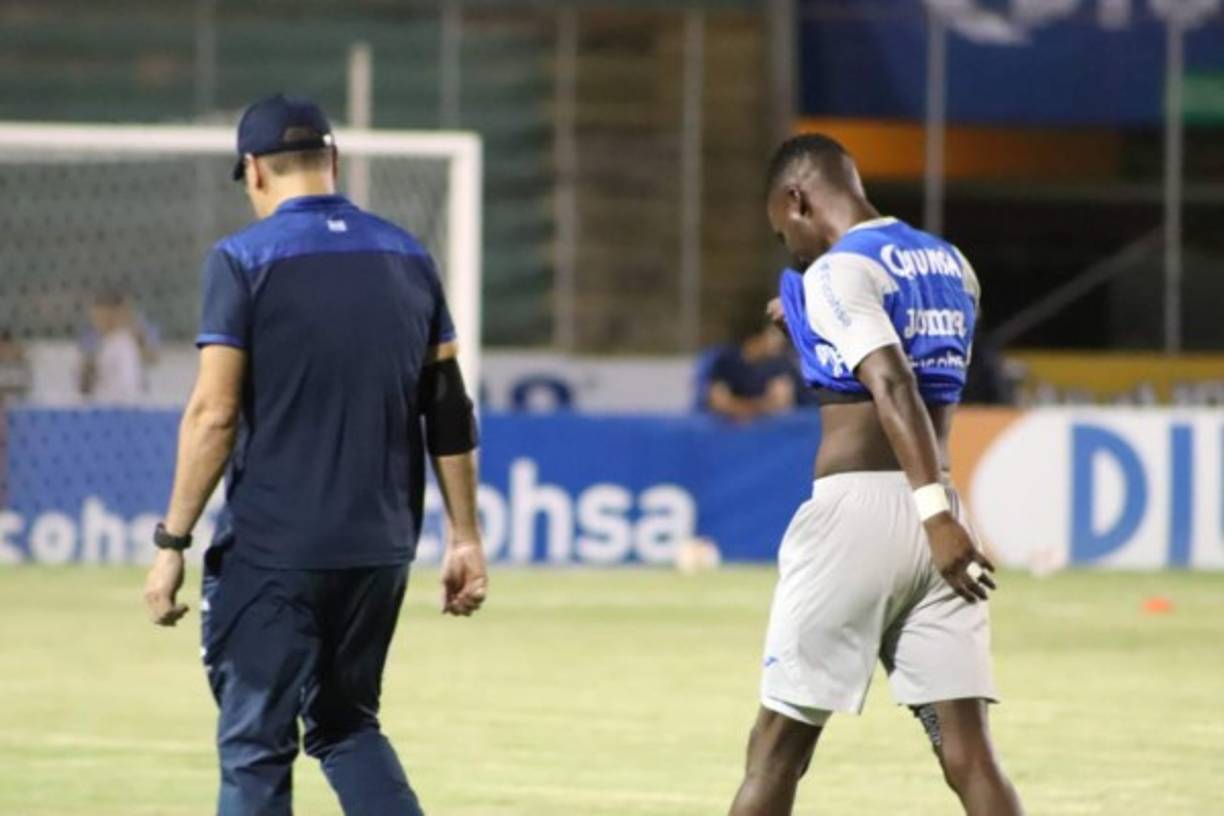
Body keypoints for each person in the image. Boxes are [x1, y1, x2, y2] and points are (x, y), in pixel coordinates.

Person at [141, 93, 488, 816]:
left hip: (276, 550)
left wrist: (173, 539)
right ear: (333, 161)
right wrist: (465, 537)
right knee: (346, 726)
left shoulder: (242, 261)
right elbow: (449, 407)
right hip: (380, 549)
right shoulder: (408, 255)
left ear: (254, 172)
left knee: (255, 745)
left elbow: (214, 413)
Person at [728, 134, 1024, 815]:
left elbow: (890, 384)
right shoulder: (952, 264)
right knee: (969, 752)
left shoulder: (838, 270)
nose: (792, 251)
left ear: (797, 199)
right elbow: (916, 369)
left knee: (775, 748)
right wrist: (939, 514)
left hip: (861, 518)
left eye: (784, 232)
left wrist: (933, 513)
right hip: (941, 518)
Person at [697, 320, 798, 421]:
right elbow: (719, 402)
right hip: (722, 430)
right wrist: (753, 408)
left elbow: (781, 403)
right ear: (753, 339)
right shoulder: (725, 360)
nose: (771, 344)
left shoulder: (776, 365)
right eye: (766, 338)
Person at [80, 290, 144, 404]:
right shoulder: (106, 343)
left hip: (117, 410)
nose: (96, 321)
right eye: (94, 316)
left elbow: (128, 385)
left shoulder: (122, 343)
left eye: (101, 315)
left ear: (114, 314)